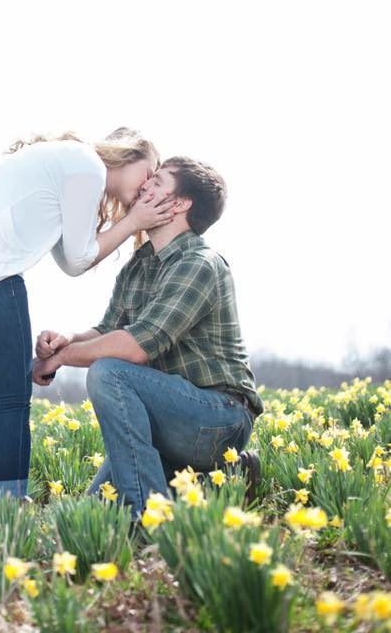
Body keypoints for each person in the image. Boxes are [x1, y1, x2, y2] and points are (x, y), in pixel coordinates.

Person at [0, 128, 179, 539]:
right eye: (149, 174)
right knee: (9, 405)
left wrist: (129, 220)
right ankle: (9, 523)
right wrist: (133, 223)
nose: (148, 187)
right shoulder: (87, 168)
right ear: (128, 154)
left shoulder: (66, 162)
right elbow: (77, 262)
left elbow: (68, 254)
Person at [33, 155, 264, 518]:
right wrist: (67, 340)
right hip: (167, 417)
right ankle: (227, 479)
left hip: (218, 418)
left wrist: (62, 360)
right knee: (91, 516)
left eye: (159, 181)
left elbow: (135, 347)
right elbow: (108, 331)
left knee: (109, 372)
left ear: (180, 203)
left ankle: (152, 519)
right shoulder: (140, 265)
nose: (145, 185)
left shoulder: (198, 264)